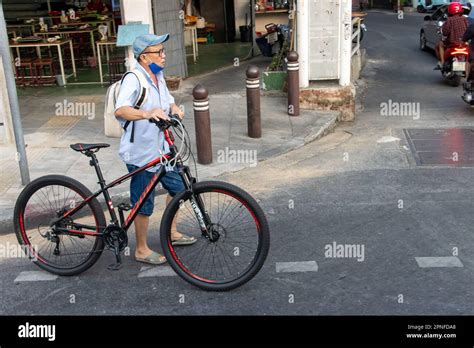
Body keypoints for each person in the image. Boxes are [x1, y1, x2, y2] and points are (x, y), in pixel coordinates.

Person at [114, 33, 197, 265]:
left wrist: (174, 108)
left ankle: (171, 232)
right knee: (144, 201)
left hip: (163, 148)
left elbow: (167, 101)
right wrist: (146, 113)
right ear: (143, 57)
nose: (163, 56)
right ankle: (140, 249)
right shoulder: (133, 78)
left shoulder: (158, 75)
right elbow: (121, 110)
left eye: (163, 51)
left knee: (180, 188)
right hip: (140, 152)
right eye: (158, 52)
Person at [435, 2, 468, 70]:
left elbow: (445, 32)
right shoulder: (464, 18)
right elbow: (468, 29)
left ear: (450, 10)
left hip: (452, 43)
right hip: (464, 43)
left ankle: (442, 63)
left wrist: (444, 35)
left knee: (439, 45)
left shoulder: (449, 20)